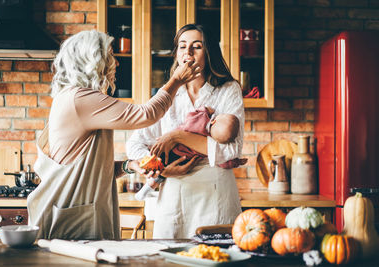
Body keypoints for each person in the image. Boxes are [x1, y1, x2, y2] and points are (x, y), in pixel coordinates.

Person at [27, 30, 200, 240]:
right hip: (71, 220)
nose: (116, 64)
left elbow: (89, 170)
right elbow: (147, 114)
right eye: (110, 57)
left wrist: (128, 166)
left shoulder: (74, 97)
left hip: (77, 214)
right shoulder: (79, 99)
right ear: (92, 61)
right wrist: (176, 80)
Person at [126, 24, 245, 238]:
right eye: (182, 47)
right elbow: (134, 144)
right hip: (173, 193)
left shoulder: (229, 89)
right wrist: (160, 169)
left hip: (216, 192)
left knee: (215, 255)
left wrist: (178, 136)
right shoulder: (168, 94)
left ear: (209, 53)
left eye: (196, 46)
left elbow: (231, 151)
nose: (188, 53)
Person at [134, 106, 248, 200]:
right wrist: (236, 161)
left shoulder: (201, 120)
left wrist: (205, 110)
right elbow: (223, 162)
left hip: (173, 149)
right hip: (186, 159)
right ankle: (148, 187)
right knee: (162, 171)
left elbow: (191, 116)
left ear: (214, 120)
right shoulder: (211, 142)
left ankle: (147, 188)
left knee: (159, 165)